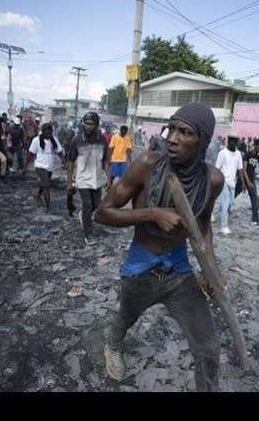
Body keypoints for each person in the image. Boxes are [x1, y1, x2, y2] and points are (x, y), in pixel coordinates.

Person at [94, 101, 224, 392]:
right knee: (126, 317)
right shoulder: (147, 165)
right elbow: (102, 212)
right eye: (172, 129)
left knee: (208, 345)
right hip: (142, 266)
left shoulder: (213, 180)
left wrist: (211, 267)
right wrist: (151, 214)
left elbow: (203, 224)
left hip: (179, 271)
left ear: (202, 140)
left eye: (185, 132)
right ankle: (112, 346)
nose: (173, 139)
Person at [66, 112, 110, 244]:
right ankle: (88, 234)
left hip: (97, 178)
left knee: (96, 206)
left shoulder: (102, 140)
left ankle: (84, 217)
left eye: (91, 124)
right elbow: (71, 162)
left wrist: (109, 178)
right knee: (87, 205)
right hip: (83, 179)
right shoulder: (77, 140)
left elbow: (106, 161)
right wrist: (69, 182)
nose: (88, 127)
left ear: (96, 125)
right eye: (86, 123)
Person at [28, 123, 64, 213]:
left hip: (50, 166)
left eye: (50, 132)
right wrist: (25, 166)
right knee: (47, 184)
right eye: (47, 132)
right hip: (40, 165)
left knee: (44, 182)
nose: (49, 133)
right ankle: (48, 206)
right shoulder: (36, 140)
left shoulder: (54, 140)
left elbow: (59, 152)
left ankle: (38, 195)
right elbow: (31, 153)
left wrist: (64, 162)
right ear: (43, 131)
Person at [213, 132, 244, 235]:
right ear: (228, 141)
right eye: (231, 141)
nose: (233, 143)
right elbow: (217, 168)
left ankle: (212, 213)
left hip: (232, 182)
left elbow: (240, 169)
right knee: (225, 204)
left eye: (235, 142)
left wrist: (243, 183)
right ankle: (223, 226)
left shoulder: (238, 154)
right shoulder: (222, 153)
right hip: (224, 181)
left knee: (230, 203)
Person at [242, 138, 259, 227]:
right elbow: (244, 170)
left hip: (251, 180)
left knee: (254, 199)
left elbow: (253, 170)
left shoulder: (257, 157)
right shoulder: (247, 154)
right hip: (243, 180)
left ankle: (255, 219)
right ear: (255, 146)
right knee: (232, 196)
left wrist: (252, 180)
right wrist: (247, 182)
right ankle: (222, 211)